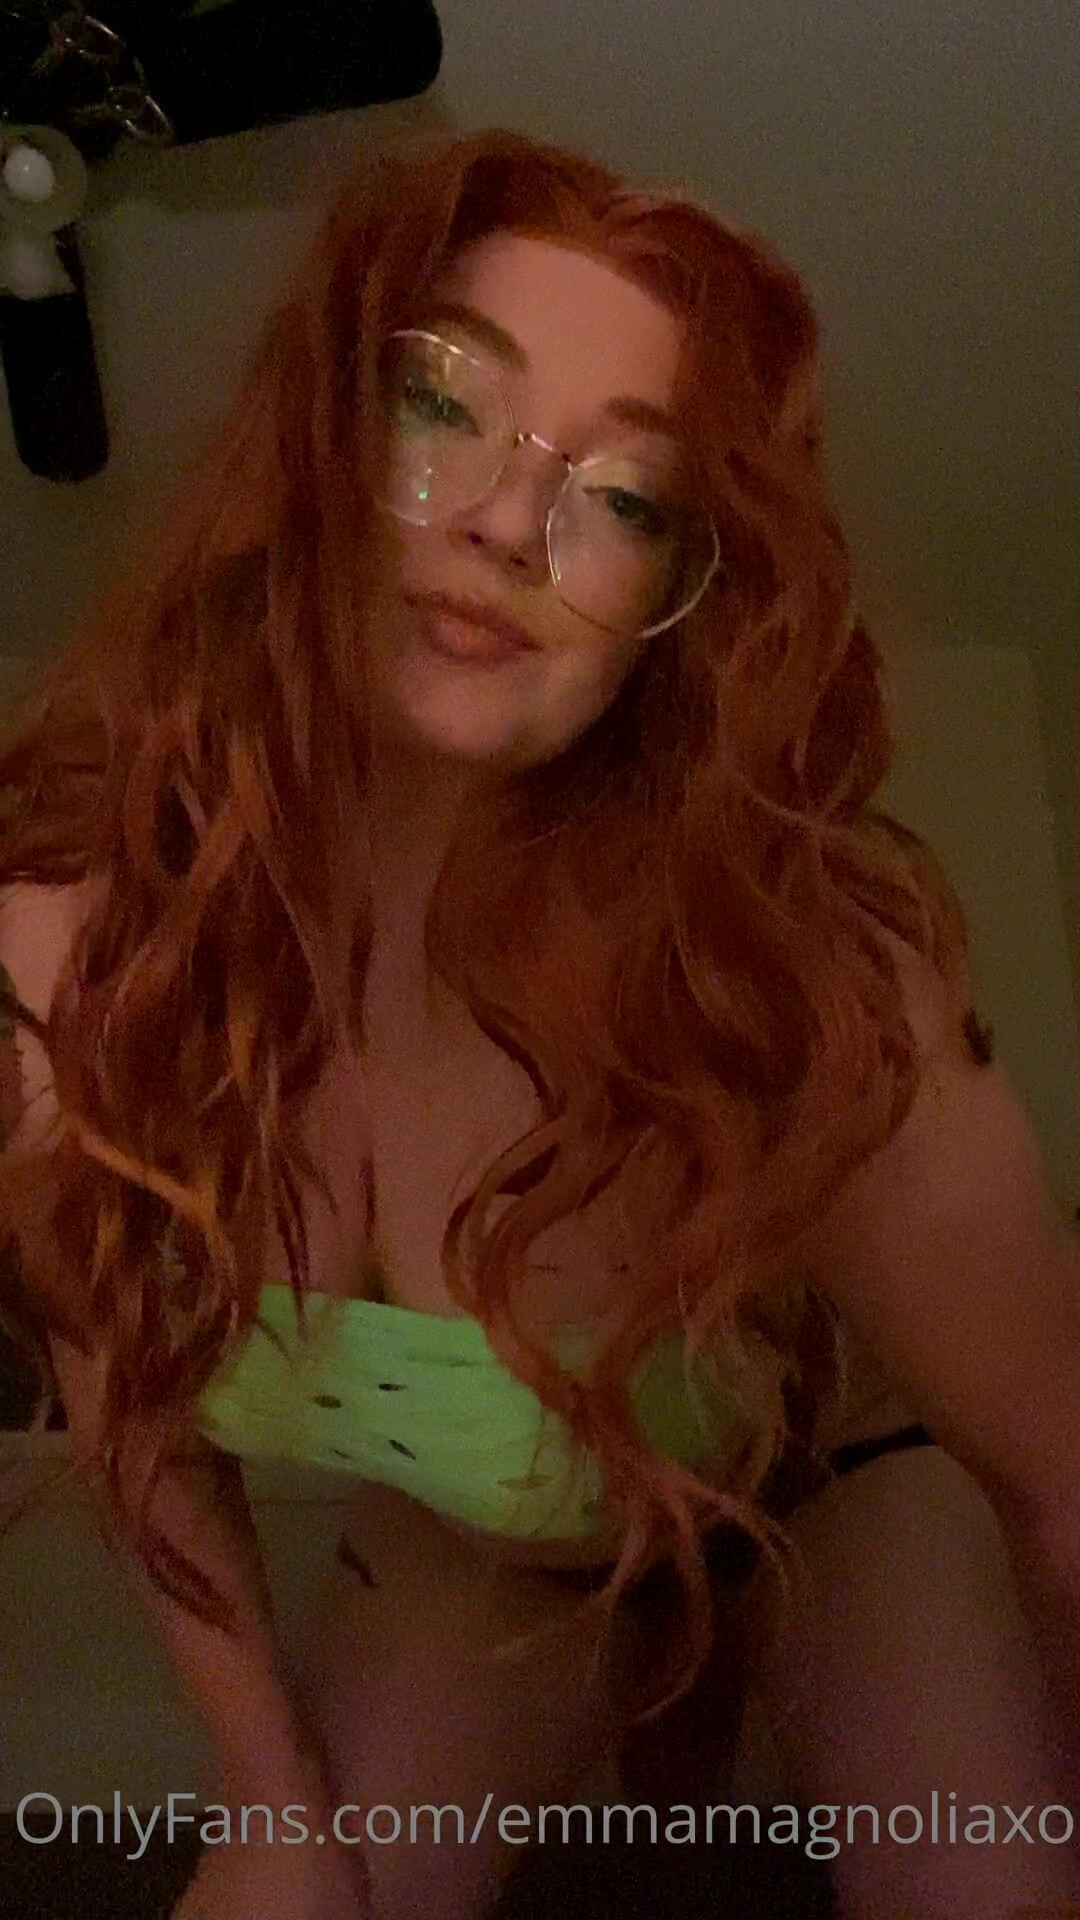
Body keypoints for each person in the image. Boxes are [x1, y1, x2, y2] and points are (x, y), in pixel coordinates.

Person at [0, 125, 1077, 1920]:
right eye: (443, 405)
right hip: (496, 1554)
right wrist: (268, 1804)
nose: (509, 521)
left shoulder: (813, 992)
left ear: (675, 611)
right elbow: (129, 1405)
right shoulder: (57, 954)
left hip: (836, 1490)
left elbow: (1063, 1490)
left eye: (629, 497)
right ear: (318, 448)